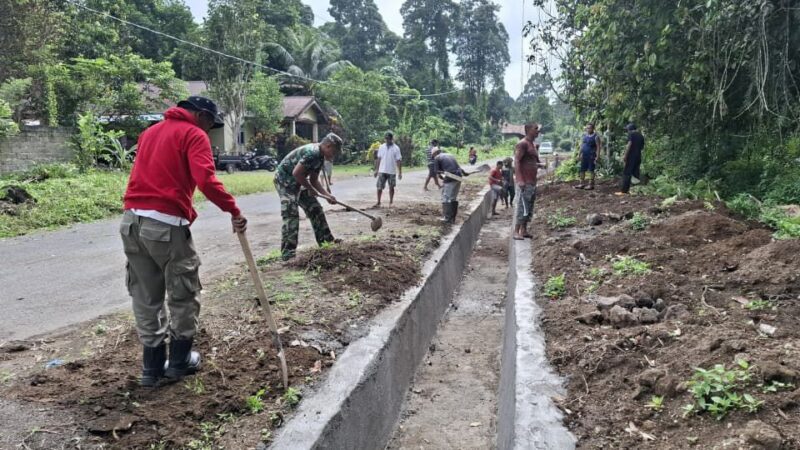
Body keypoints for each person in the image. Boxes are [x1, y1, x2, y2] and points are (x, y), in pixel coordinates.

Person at [121, 96, 248, 387]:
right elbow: (206, 180)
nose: (209, 129)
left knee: (146, 296)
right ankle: (179, 362)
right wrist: (233, 210)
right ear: (202, 115)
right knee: (183, 292)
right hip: (166, 225)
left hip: (131, 222)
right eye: (210, 123)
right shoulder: (194, 134)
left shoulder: (150, 132)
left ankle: (151, 369)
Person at [274, 133, 343, 260]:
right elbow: (296, 173)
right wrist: (311, 189)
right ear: (328, 146)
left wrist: (328, 195)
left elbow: (313, 180)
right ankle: (288, 253)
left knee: (315, 208)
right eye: (334, 152)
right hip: (285, 182)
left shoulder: (320, 156)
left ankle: (326, 242)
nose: (334, 155)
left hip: (298, 182)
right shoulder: (313, 153)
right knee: (291, 214)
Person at [513, 122, 544, 240]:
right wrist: (520, 180)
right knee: (522, 206)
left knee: (529, 206)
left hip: (532, 181)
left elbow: (531, 161)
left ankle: (524, 230)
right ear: (528, 130)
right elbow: (517, 161)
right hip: (525, 182)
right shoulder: (522, 144)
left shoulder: (532, 145)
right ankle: (516, 231)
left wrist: (539, 165)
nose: (538, 131)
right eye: (535, 129)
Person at [433, 148, 468, 223]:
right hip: (458, 177)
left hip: (450, 178)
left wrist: (441, 177)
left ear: (435, 153)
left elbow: (437, 172)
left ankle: (447, 218)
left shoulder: (437, 158)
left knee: (446, 198)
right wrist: (465, 173)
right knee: (453, 198)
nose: (433, 156)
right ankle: (452, 218)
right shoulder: (450, 155)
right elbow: (459, 167)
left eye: (433, 155)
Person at [374, 131, 402, 207]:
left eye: (389, 139)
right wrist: (376, 170)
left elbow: (399, 160)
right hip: (382, 170)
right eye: (386, 139)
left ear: (392, 139)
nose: (387, 140)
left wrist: (400, 172)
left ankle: (391, 202)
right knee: (379, 187)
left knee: (391, 187)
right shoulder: (381, 147)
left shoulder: (396, 148)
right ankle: (378, 202)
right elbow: (379, 159)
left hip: (391, 171)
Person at [617, 123, 644, 195]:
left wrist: (625, 156)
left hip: (631, 156)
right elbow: (642, 147)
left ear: (629, 129)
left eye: (627, 130)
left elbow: (629, 145)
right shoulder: (641, 136)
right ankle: (635, 190)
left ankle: (624, 191)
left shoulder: (631, 134)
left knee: (627, 173)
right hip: (638, 156)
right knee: (636, 172)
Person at [575, 123, 603, 190]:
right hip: (584, 156)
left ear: (593, 129)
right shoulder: (585, 136)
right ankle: (581, 183)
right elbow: (582, 146)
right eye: (587, 128)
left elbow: (598, 147)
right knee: (582, 169)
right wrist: (579, 154)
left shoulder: (596, 137)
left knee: (591, 170)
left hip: (591, 156)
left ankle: (591, 185)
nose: (588, 129)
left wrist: (597, 156)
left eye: (589, 128)